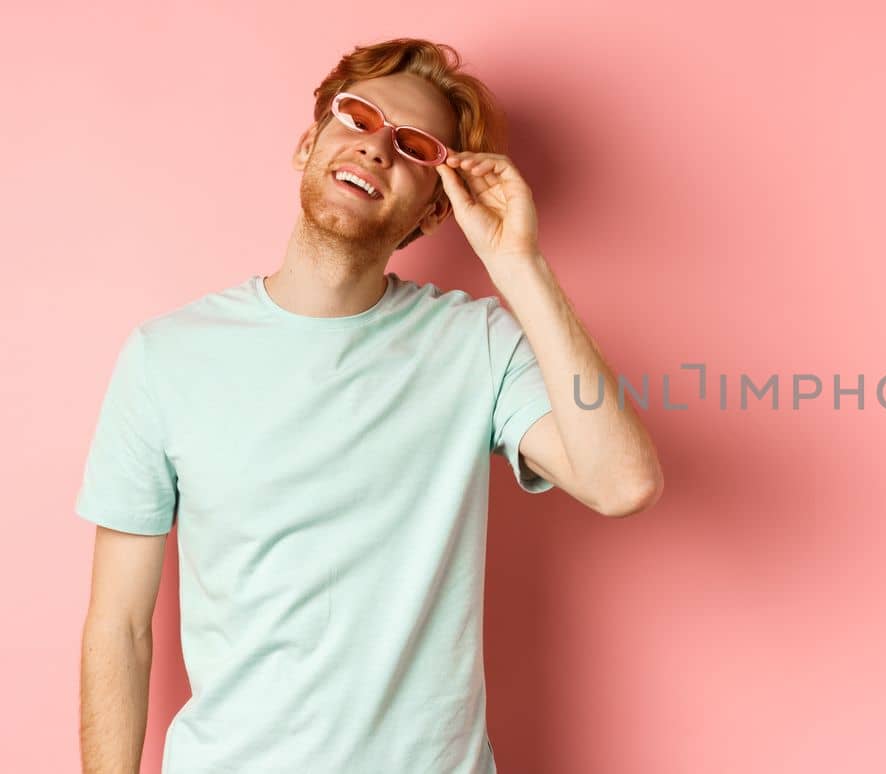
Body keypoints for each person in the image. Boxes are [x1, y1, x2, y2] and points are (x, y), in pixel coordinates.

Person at [74, 37, 663, 773]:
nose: (377, 148)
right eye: (357, 117)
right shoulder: (165, 355)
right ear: (307, 144)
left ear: (433, 212)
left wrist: (518, 263)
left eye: (415, 146)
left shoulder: (474, 344)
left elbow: (622, 484)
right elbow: (119, 627)